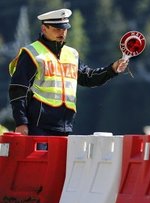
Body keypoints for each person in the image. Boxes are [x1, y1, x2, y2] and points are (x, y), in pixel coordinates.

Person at [8, 8, 129, 136]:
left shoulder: (72, 54)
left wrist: (112, 69)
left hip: (65, 126)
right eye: (57, 29)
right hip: (37, 126)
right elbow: (18, 90)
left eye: (64, 29)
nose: (62, 33)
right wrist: (21, 122)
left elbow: (88, 78)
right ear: (44, 29)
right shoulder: (31, 53)